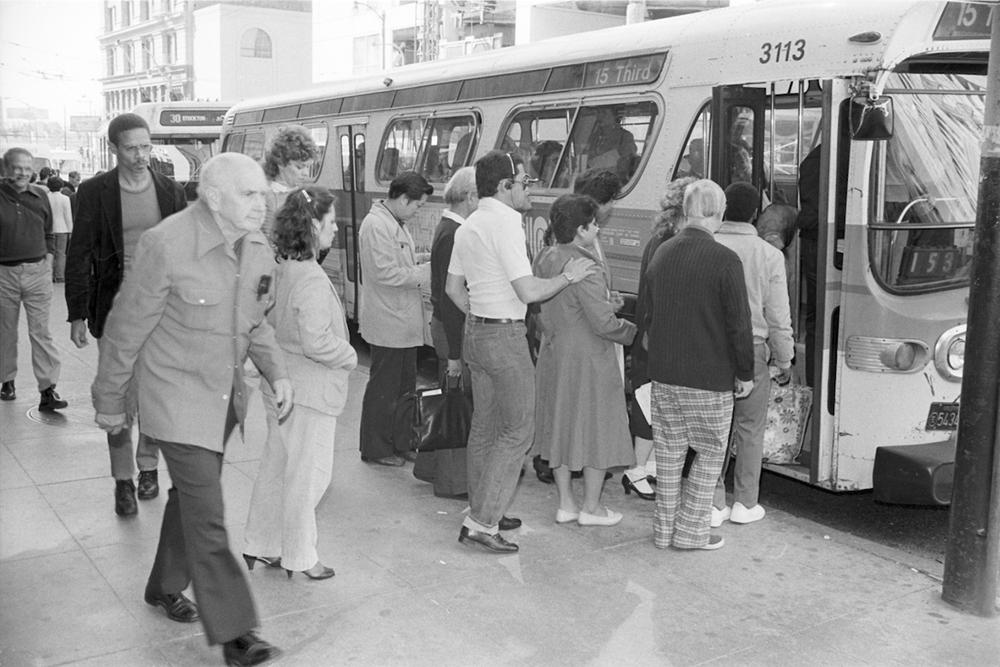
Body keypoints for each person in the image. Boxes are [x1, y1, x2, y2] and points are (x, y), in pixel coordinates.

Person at [91, 152, 290, 666]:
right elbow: (125, 327)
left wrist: (278, 371)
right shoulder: (168, 244)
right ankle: (237, 632)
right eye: (249, 195)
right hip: (175, 397)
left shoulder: (258, 247)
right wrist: (110, 401)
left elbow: (256, 321)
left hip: (223, 399)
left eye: (263, 194)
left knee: (191, 500)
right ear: (215, 196)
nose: (261, 204)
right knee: (208, 514)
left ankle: (162, 586)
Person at [446, 150, 597, 553]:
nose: (528, 189)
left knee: (486, 428)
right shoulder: (507, 223)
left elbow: (452, 289)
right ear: (504, 186)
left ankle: (482, 508)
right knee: (518, 432)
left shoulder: (469, 224)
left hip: (475, 333)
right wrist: (569, 275)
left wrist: (481, 314)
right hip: (504, 338)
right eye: (523, 183)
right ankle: (483, 521)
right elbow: (528, 291)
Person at [66, 112, 187, 517]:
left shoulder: (170, 190)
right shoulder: (96, 191)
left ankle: (149, 466)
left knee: (156, 394)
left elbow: (185, 251)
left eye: (146, 146)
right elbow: (79, 251)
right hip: (115, 309)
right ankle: (123, 480)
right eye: (132, 148)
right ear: (115, 148)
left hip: (163, 310)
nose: (140, 155)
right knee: (116, 396)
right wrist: (77, 312)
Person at [243, 186, 357, 581]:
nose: (336, 231)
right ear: (312, 226)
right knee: (309, 476)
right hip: (310, 391)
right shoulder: (309, 276)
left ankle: (261, 544)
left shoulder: (279, 268)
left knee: (276, 468)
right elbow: (315, 341)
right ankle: (300, 556)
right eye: (330, 224)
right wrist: (349, 355)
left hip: (280, 386)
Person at [640, 178, 754, 551]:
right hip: (709, 377)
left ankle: (664, 531)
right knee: (708, 454)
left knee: (670, 453)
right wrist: (745, 374)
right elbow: (739, 325)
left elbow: (647, 314)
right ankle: (691, 533)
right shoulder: (725, 260)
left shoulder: (662, 253)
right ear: (717, 214)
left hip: (665, 375)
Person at [533, 193, 636, 526]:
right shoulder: (586, 267)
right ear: (580, 229)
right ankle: (591, 507)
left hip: (554, 354)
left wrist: (607, 304)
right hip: (589, 360)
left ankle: (566, 503)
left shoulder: (545, 258)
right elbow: (602, 324)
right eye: (594, 225)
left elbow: (559, 305)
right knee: (597, 430)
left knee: (560, 427)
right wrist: (633, 331)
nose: (597, 231)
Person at [711, 182, 794, 527]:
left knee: (714, 428)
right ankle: (745, 503)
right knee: (749, 428)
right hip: (754, 350)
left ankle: (713, 503)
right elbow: (778, 314)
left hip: (711, 349)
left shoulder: (708, 245)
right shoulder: (769, 255)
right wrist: (785, 357)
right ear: (754, 215)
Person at [627, 176, 697, 500]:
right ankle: (636, 470)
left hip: (650, 332)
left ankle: (649, 469)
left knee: (653, 405)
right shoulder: (674, 242)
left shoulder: (659, 236)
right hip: (658, 337)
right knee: (651, 406)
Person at [358, 171, 433, 466]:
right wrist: (423, 274)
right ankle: (376, 449)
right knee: (384, 390)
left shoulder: (394, 222)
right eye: (417, 206)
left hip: (401, 321)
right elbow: (384, 273)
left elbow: (398, 263)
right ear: (403, 199)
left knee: (403, 389)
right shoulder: (376, 225)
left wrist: (419, 262)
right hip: (388, 320)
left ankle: (400, 442)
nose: (418, 212)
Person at [1, 147, 67, 410]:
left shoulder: (40, 195)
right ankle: (7, 381)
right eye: (17, 168)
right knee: (6, 332)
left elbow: (49, 231)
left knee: (41, 332)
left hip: (38, 272)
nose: (23, 173)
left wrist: (49, 261)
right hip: (4, 274)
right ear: (6, 169)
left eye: (27, 169)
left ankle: (48, 390)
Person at [431, 167, 476, 386]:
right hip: (453, 331)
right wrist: (454, 353)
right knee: (457, 402)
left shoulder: (448, 228)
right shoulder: (455, 234)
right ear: (470, 197)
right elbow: (449, 295)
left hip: (448, 328)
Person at [261, 124, 318, 243]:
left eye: (308, 167)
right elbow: (268, 242)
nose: (306, 174)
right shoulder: (267, 198)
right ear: (281, 163)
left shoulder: (303, 193)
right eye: (299, 167)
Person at [45, 176, 73, 283]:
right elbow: (68, 216)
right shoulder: (65, 199)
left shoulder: (46, 197)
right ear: (61, 186)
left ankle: (50, 275)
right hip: (63, 228)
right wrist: (70, 230)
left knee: (49, 253)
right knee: (61, 253)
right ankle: (60, 275)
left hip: (49, 229)